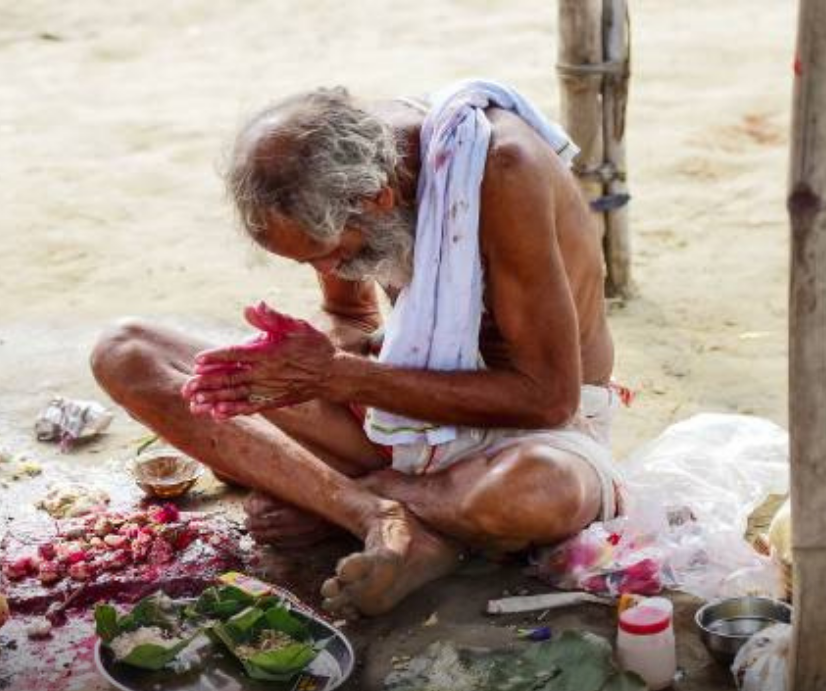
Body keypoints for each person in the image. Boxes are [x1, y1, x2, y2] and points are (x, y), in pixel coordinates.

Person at [91, 82, 622, 617]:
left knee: (533, 497)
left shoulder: (501, 171)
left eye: (328, 255)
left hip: (539, 437)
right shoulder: (345, 165)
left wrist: (333, 380)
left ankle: (351, 502)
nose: (327, 272)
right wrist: (296, 362)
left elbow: (547, 400)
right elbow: (352, 318)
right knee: (127, 352)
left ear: (377, 200)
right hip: (400, 416)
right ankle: (379, 517)